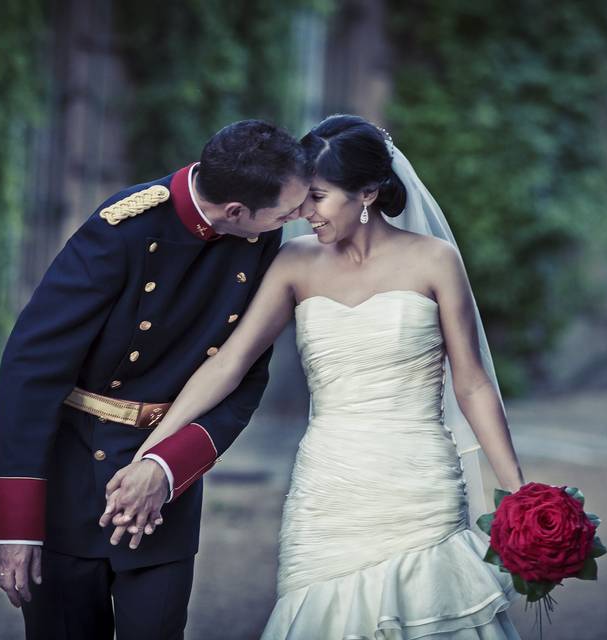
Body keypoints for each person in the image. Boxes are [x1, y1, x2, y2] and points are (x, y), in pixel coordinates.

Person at [104, 114, 528, 638]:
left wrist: (518, 493)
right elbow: (229, 363)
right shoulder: (294, 262)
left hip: (419, 481)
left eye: (319, 198)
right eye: (303, 198)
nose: (304, 214)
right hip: (327, 486)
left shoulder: (436, 261)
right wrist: (155, 448)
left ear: (367, 193)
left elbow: (472, 384)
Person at [0, 120, 312, 639]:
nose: (299, 217)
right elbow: (33, 366)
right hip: (73, 477)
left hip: (165, 493)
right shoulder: (127, 228)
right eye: (288, 210)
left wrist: (165, 469)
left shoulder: (261, 240)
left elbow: (243, 379)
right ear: (235, 212)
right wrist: (15, 525)